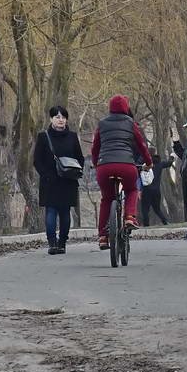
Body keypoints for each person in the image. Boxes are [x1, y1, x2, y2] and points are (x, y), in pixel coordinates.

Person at [91, 95, 152, 250]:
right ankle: (130, 217)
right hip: (126, 165)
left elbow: (95, 147)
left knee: (107, 199)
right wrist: (149, 162)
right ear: (126, 107)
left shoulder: (102, 124)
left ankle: (103, 236)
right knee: (132, 189)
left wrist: (96, 164)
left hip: (105, 166)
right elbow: (142, 145)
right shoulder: (130, 123)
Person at [32, 106, 84, 255]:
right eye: (57, 117)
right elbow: (37, 160)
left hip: (68, 180)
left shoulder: (72, 136)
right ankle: (52, 243)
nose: (61, 120)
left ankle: (62, 243)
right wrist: (45, 175)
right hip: (50, 181)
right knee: (51, 212)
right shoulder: (44, 136)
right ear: (51, 119)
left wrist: (76, 172)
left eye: (63, 117)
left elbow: (79, 158)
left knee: (65, 212)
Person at [139, 147, 171, 226]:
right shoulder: (160, 164)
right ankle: (165, 222)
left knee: (145, 209)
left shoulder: (144, 164)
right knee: (157, 209)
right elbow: (169, 163)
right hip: (156, 190)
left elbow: (137, 167)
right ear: (155, 153)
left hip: (146, 190)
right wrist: (172, 157)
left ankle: (146, 225)